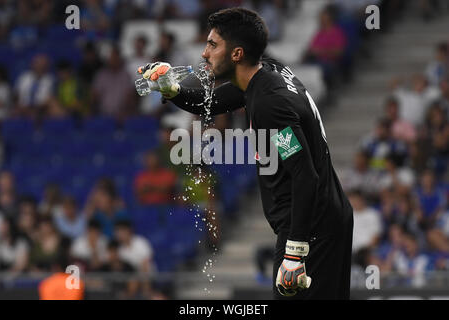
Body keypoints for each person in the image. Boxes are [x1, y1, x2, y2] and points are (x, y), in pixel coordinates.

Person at [139, 7, 353, 299]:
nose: (204, 53)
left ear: (237, 54)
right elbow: (211, 102)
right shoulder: (265, 72)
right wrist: (170, 87)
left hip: (311, 227)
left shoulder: (269, 104)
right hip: (322, 220)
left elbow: (305, 176)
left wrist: (295, 252)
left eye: (213, 45)